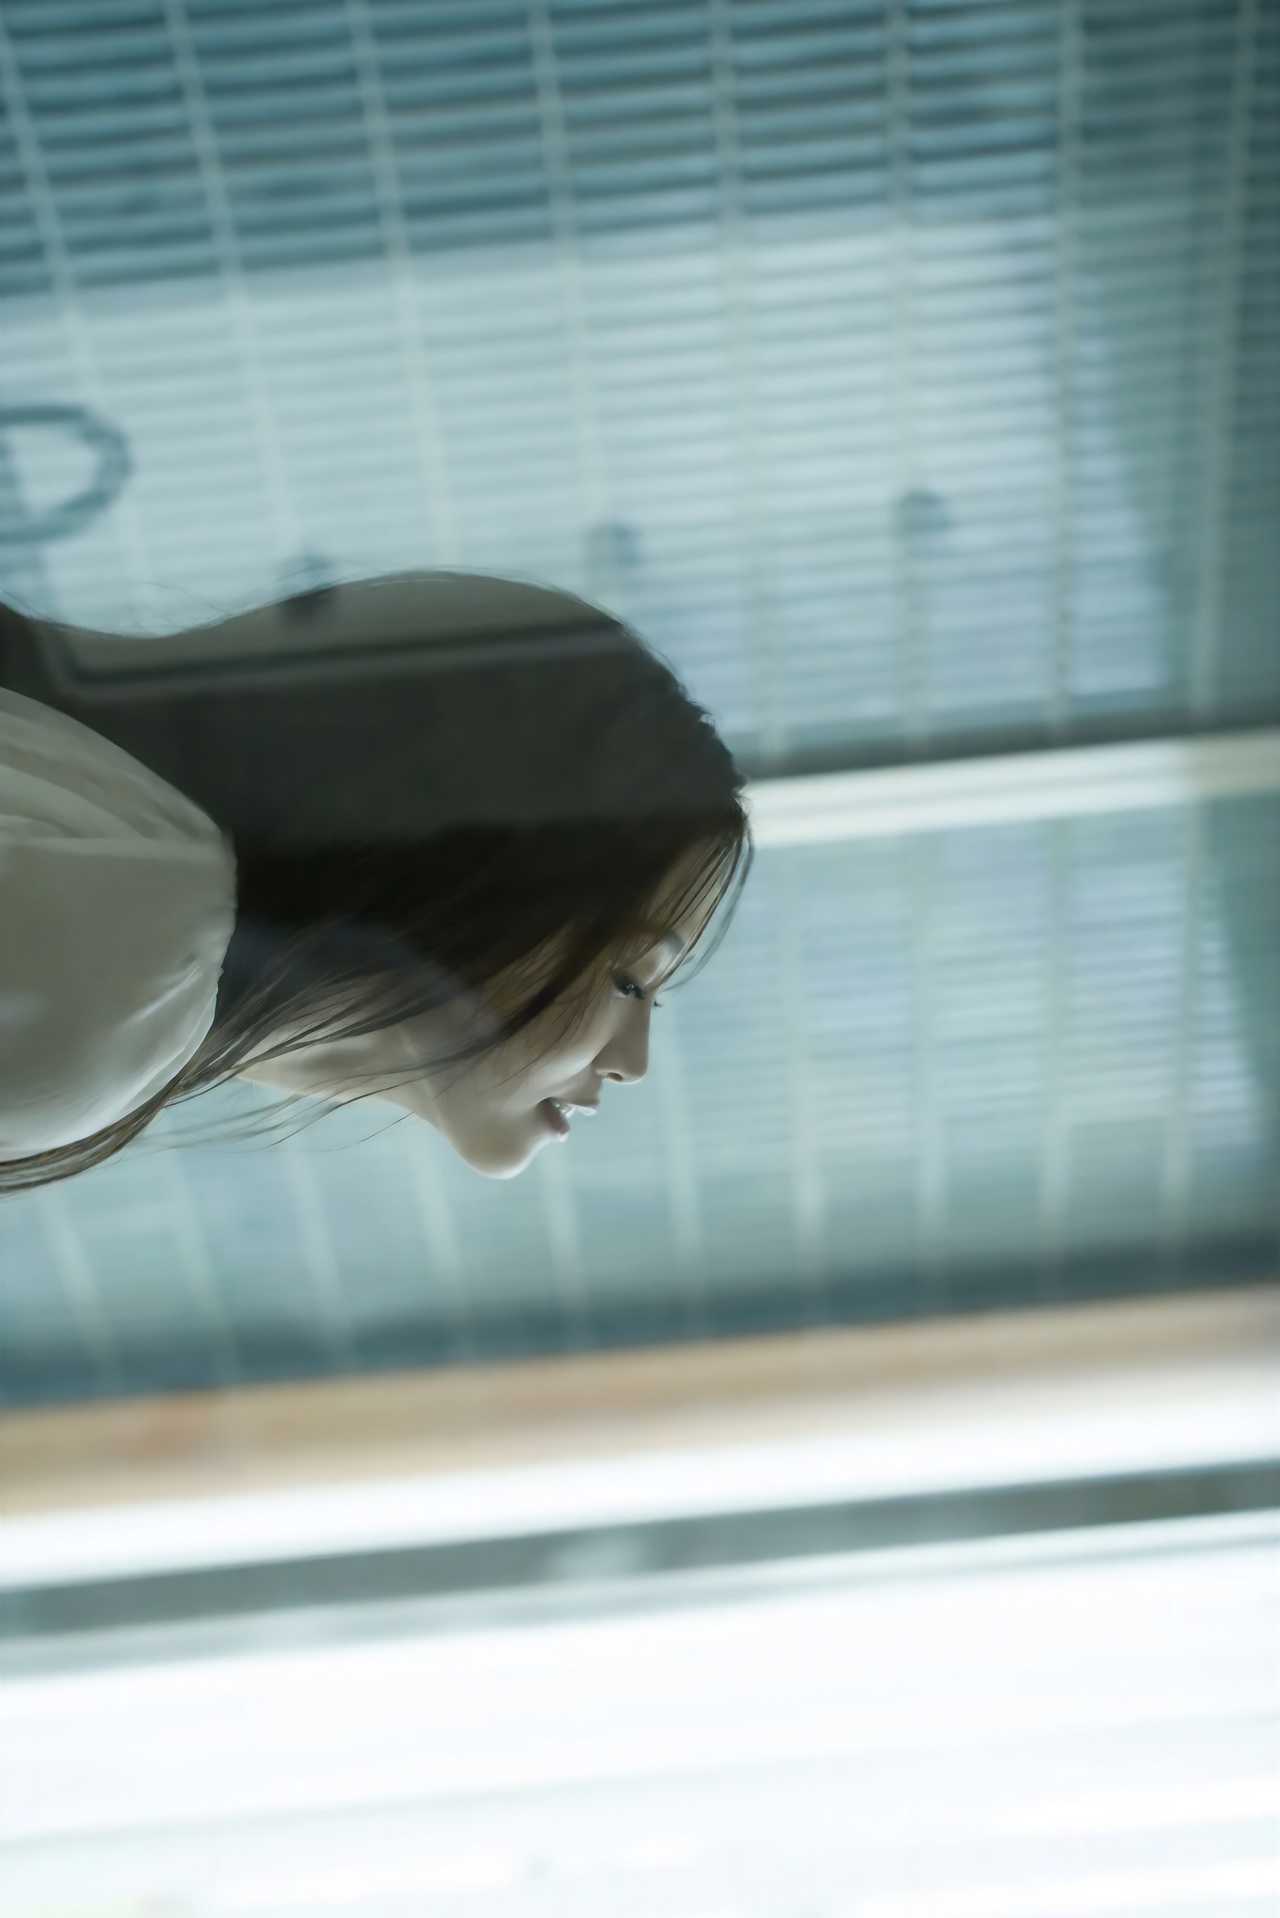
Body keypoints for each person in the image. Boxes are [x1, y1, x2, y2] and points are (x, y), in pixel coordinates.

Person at [0, 572, 751, 1195]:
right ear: (484, 886)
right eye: (628, 980)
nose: (631, 1063)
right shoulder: (111, 976)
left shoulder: (122, 890)